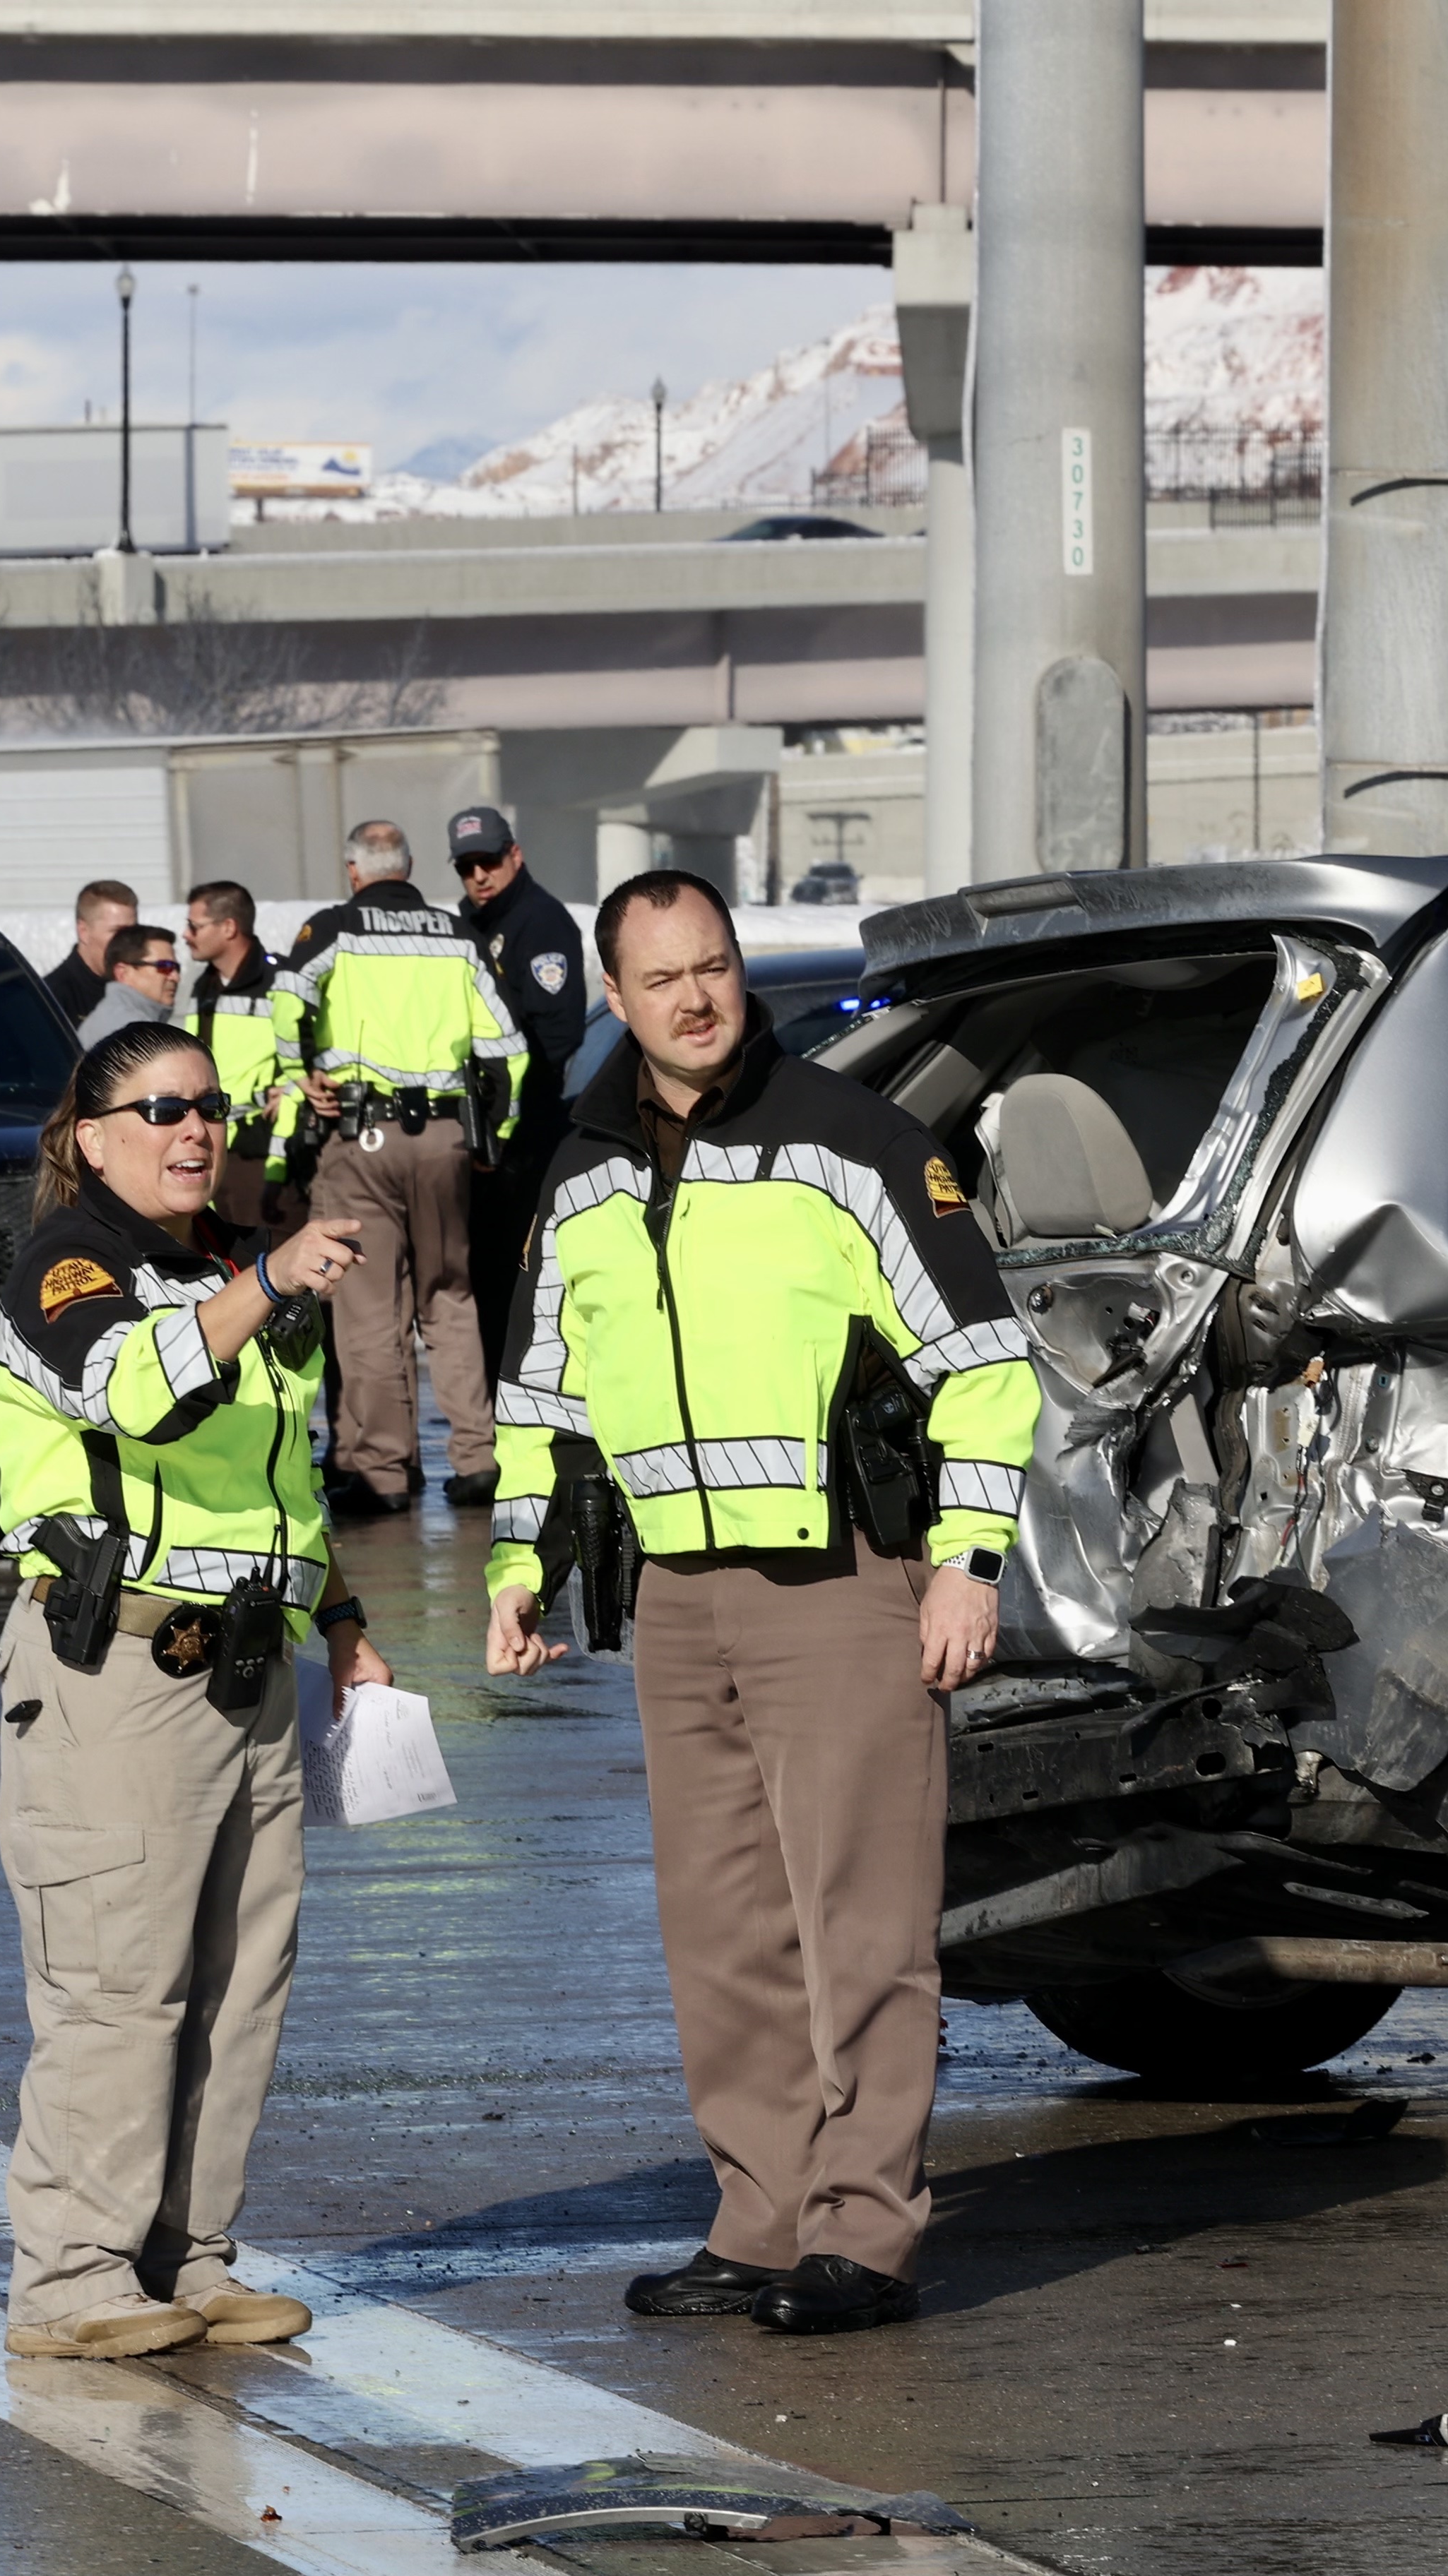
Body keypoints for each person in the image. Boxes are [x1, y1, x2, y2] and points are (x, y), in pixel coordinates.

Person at [482, 871, 1038, 2339]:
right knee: (721, 1930)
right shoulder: (583, 1167)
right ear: (614, 997)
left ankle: (863, 2233)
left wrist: (969, 1562)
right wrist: (521, 1564)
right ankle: (762, 2216)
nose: (696, 998)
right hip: (676, 1594)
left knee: (862, 1925)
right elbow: (540, 1395)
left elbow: (985, 1363)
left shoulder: (854, 1142)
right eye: (662, 977)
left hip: (841, 1581)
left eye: (714, 965)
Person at [0, 1019, 387, 2361]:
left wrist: (345, 1622)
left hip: (253, 1666)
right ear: (92, 1139)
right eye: (158, 1109)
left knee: (237, 1985)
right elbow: (134, 1394)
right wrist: (266, 1278)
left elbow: (283, 1485)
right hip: (116, 1669)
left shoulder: (223, 1269)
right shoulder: (69, 1266)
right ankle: (71, 2279)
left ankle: (185, 2256)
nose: (194, 1128)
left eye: (207, 1105)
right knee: (116, 1985)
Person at [274, 818, 526, 1517]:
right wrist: (494, 1138)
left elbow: (287, 998)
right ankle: (476, 1459)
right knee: (450, 1299)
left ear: (354, 871)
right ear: (410, 868)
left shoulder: (333, 930)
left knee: (369, 1309)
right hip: (445, 1138)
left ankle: (385, 1471)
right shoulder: (458, 935)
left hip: (361, 1135)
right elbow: (509, 1047)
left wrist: (300, 1076)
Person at [451, 807, 588, 1368]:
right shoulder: (467, 923)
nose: (479, 876)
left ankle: (516, 1391)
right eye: (467, 867)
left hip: (525, 1132)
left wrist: (504, 1097)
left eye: (488, 861)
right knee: (483, 1281)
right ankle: (491, 1393)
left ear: (515, 855)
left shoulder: (541, 922)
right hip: (481, 1132)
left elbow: (559, 1032)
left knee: (515, 1283)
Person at [181, 880, 290, 1232]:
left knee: (266, 1253)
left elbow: (316, 1050)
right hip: (209, 1142)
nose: (186, 935)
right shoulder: (204, 985)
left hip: (263, 1153)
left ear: (229, 927)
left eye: (194, 926)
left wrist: (291, 1090)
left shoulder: (282, 980)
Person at [43, 878, 143, 1027]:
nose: (128, 942)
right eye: (117, 932)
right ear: (84, 931)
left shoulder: (140, 989)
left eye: (133, 932)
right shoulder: (52, 1000)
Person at [71, 921, 184, 1048]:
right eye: (165, 967)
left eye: (176, 968)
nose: (176, 977)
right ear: (123, 973)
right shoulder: (133, 1032)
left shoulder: (112, 1018)